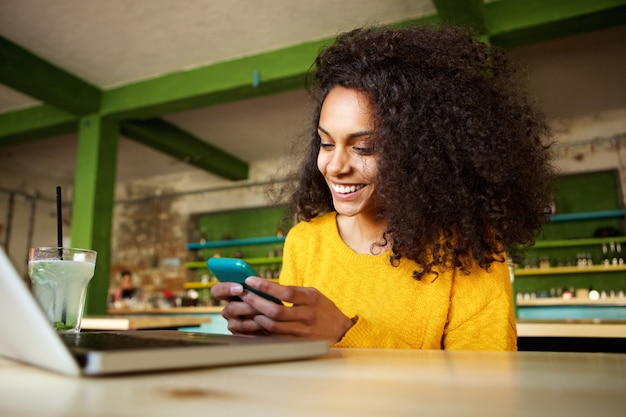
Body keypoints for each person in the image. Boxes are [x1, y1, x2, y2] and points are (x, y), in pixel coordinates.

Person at [211, 25, 556, 350]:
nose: (335, 166)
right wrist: (265, 334)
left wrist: (346, 333)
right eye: (326, 144)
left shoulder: (469, 250)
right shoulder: (305, 242)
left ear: (421, 152)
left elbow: (484, 387)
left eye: (364, 148)